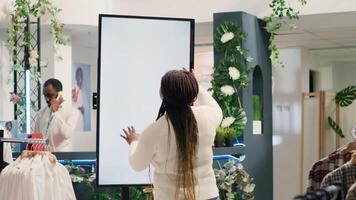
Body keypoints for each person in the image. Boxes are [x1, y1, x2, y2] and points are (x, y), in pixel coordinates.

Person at [121, 69, 223, 200]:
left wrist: (134, 141)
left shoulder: (154, 130)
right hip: (209, 196)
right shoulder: (208, 116)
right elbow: (216, 109)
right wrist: (194, 83)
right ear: (194, 93)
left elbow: (137, 164)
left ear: (162, 94)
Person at [35, 78, 80, 152]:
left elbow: (67, 134)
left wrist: (56, 113)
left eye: (50, 95)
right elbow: (36, 138)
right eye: (45, 95)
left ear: (59, 94)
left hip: (63, 156)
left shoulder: (72, 112)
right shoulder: (41, 113)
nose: (47, 99)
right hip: (45, 157)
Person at [72, 67, 84, 131]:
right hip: (75, 118)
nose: (80, 79)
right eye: (79, 76)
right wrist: (79, 108)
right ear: (76, 77)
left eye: (81, 76)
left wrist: (82, 108)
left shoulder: (81, 91)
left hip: (80, 118)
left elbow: (80, 105)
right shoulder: (73, 89)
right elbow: (73, 104)